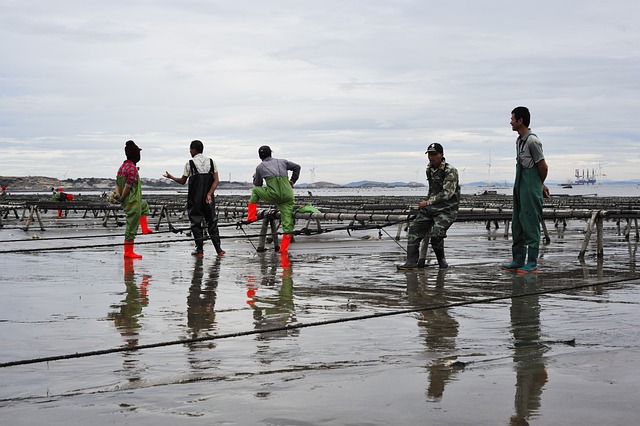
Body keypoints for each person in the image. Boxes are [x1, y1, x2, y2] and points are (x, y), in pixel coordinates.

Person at [501, 106, 550, 273]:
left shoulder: (532, 141)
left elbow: (543, 167)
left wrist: (538, 184)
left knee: (530, 222)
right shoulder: (519, 140)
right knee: (518, 222)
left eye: (512, 119)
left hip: (530, 184)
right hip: (520, 183)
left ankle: (532, 263)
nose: (510, 122)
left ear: (520, 121)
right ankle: (518, 259)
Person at [397, 143, 460, 270]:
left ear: (441, 155)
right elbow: (432, 191)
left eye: (434, 154)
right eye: (429, 154)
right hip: (431, 208)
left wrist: (428, 202)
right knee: (414, 228)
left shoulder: (450, 171)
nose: (431, 157)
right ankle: (411, 262)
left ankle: (442, 262)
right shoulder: (429, 169)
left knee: (437, 235)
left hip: (447, 209)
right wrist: (425, 202)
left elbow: (447, 193)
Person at [163, 140, 225, 257]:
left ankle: (200, 251)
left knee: (196, 223)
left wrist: (171, 177)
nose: (190, 152)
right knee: (212, 221)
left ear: (194, 150)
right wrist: (209, 194)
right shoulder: (211, 162)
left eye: (190, 149)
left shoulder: (190, 163)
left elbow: (182, 181)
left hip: (195, 198)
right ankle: (219, 249)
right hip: (208, 198)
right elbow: (216, 180)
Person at [245, 145, 301, 254]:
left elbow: (258, 185)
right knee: (287, 224)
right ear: (271, 153)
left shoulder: (260, 167)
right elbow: (297, 167)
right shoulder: (283, 162)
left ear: (259, 156)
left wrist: (255, 176)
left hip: (274, 195)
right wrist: (292, 181)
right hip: (288, 196)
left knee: (256, 190)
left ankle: (251, 216)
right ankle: (283, 250)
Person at [115, 140, 153, 259]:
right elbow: (128, 185)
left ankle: (145, 228)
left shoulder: (122, 167)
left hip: (133, 200)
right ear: (135, 155)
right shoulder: (132, 168)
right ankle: (128, 252)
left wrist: (118, 196)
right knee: (131, 225)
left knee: (144, 205)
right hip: (132, 201)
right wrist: (122, 197)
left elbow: (117, 184)